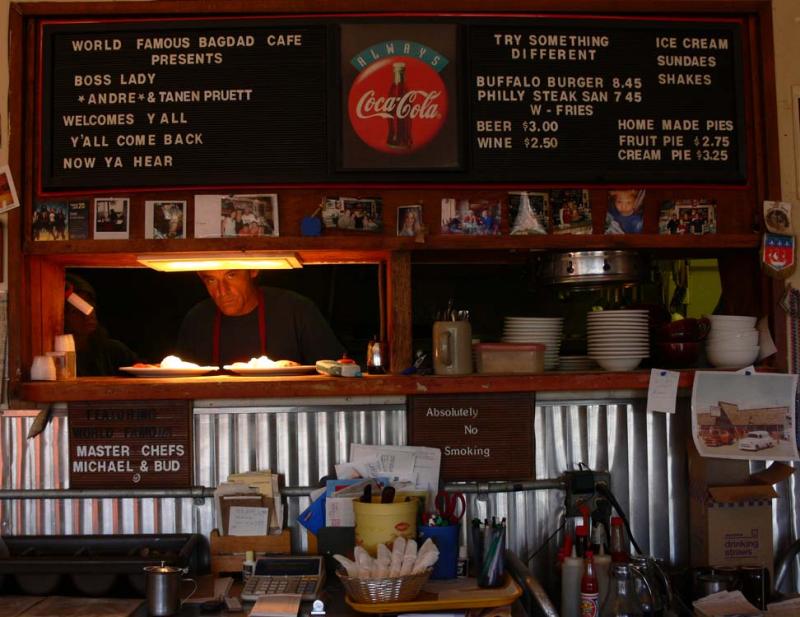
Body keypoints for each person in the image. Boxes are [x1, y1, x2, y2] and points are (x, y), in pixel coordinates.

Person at [175, 269, 345, 366]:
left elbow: (338, 370)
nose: (222, 291)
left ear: (253, 270)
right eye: (211, 280)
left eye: (231, 275)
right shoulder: (197, 319)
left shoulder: (296, 309)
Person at [63, 274, 139, 375]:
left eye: (88, 305)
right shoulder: (57, 360)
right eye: (74, 311)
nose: (87, 314)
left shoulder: (115, 352)